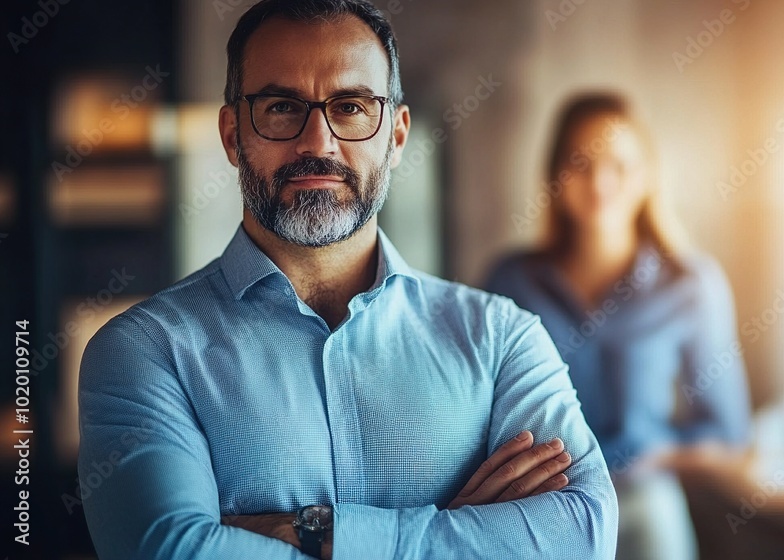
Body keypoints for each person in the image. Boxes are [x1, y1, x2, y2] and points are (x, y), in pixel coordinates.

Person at [76, 2, 617, 559]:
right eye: (282, 107)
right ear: (233, 134)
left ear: (398, 135)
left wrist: (314, 532)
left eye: (352, 106)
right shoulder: (142, 352)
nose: (318, 142)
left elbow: (583, 533)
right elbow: (173, 553)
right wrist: (454, 533)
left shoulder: (503, 338)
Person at [485, 93, 752, 560]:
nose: (600, 182)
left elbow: (727, 431)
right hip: (535, 512)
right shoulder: (510, 282)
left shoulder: (692, 286)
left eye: (620, 165)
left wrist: (651, 454)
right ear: (554, 175)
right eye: (580, 163)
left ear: (647, 175)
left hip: (643, 508)